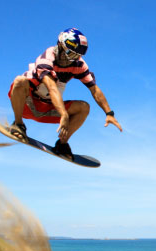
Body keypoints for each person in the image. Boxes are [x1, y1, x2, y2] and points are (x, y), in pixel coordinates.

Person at [8, 27, 122, 158]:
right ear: (60, 45)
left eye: (75, 55)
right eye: (69, 53)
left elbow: (94, 89)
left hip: (48, 109)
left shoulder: (79, 65)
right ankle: (18, 125)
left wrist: (109, 113)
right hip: (27, 104)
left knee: (84, 107)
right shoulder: (47, 57)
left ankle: (62, 144)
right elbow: (51, 87)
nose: (70, 59)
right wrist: (64, 114)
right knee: (20, 81)